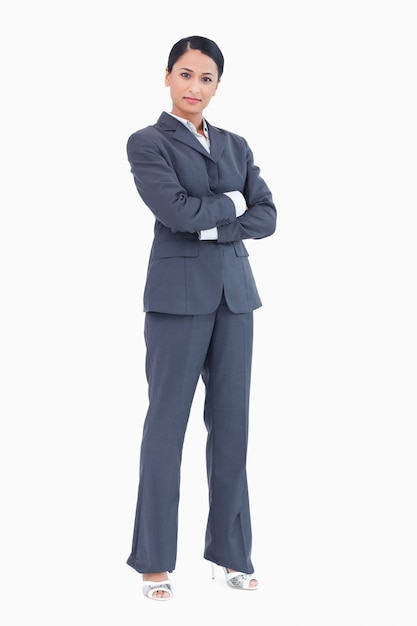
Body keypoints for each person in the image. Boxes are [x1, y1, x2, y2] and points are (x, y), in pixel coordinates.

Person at [126, 35, 277, 601]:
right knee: (166, 426)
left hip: (236, 299)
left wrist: (213, 219)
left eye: (206, 78)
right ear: (168, 77)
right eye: (185, 75)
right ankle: (153, 563)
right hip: (176, 300)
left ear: (218, 85)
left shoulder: (236, 145)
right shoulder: (148, 143)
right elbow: (173, 210)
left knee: (233, 428)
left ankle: (231, 554)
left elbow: (267, 214)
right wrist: (229, 207)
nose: (195, 87)